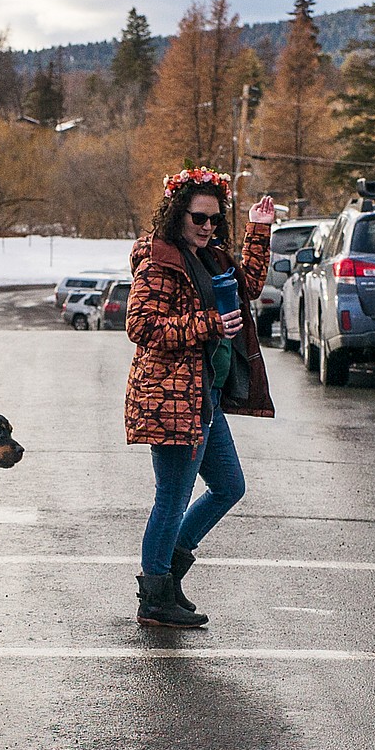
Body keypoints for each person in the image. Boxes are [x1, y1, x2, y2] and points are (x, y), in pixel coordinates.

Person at [125, 167, 276, 628]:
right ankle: (155, 596)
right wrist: (208, 324)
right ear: (177, 215)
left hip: (204, 396)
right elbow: (141, 327)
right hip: (172, 398)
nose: (208, 226)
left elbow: (247, 285)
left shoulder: (210, 257)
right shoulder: (160, 261)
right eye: (199, 218)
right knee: (171, 497)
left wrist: (259, 229)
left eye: (215, 219)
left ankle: (168, 576)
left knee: (229, 486)